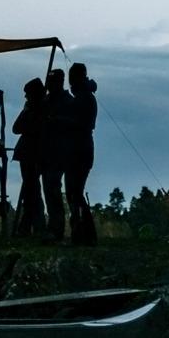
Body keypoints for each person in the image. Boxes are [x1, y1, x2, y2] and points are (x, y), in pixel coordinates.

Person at [35, 68, 75, 242]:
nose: (50, 85)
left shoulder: (67, 101)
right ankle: (53, 227)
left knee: (55, 190)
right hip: (47, 152)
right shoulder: (46, 101)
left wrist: (56, 120)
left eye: (53, 82)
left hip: (60, 152)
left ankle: (58, 228)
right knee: (50, 191)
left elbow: (74, 124)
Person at [63, 63, 100, 246]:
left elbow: (81, 124)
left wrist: (62, 121)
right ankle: (83, 233)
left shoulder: (84, 98)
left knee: (74, 193)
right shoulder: (84, 97)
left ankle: (83, 233)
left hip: (79, 149)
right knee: (74, 193)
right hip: (81, 149)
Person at [11, 77, 51, 239]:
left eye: (28, 94)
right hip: (27, 154)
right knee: (30, 192)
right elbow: (16, 128)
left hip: (35, 154)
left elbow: (30, 128)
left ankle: (34, 227)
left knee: (32, 192)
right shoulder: (31, 109)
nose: (26, 97)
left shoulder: (43, 109)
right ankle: (29, 227)